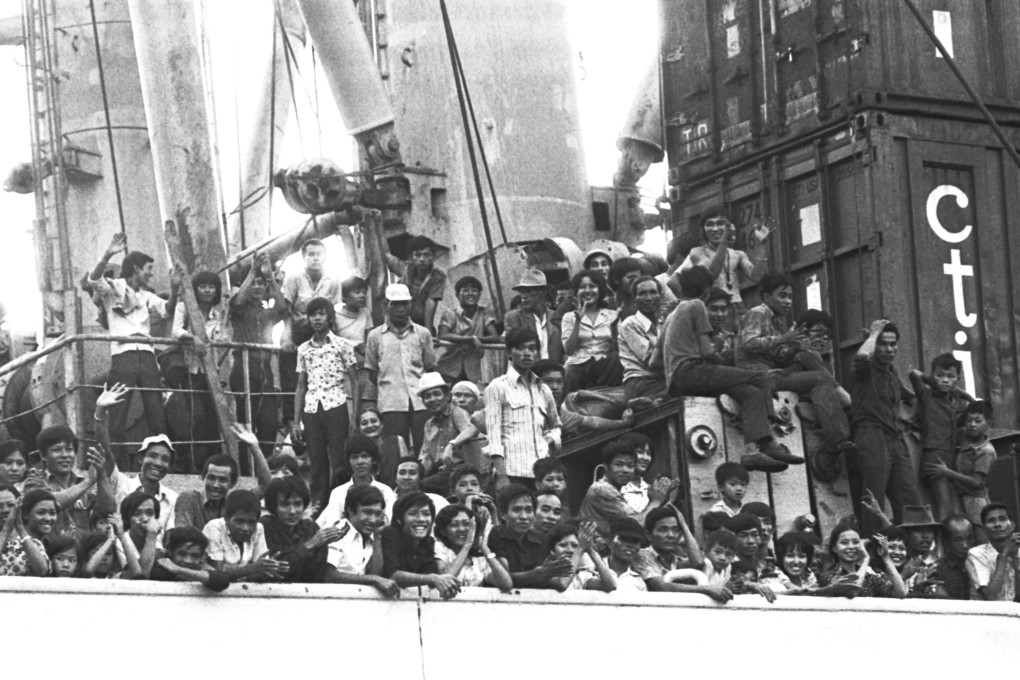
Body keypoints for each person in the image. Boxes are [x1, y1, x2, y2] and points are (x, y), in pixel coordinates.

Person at [659, 266, 797, 473]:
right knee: (760, 378)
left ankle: (752, 452)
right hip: (692, 371)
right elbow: (707, 352)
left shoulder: (671, 315)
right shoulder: (696, 305)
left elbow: (654, 360)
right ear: (706, 291)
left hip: (677, 378)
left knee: (750, 392)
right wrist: (723, 363)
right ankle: (770, 441)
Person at [737, 272, 855, 463]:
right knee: (819, 378)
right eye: (782, 295)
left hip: (772, 373)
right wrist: (785, 339)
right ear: (767, 296)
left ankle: (838, 429)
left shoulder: (774, 321)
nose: (788, 301)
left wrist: (795, 347)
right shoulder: (758, 313)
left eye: (790, 296)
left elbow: (778, 358)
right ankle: (839, 432)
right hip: (760, 376)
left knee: (810, 360)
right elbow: (748, 343)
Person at [87, 233, 177, 464]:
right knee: (117, 415)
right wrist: (108, 253)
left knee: (157, 414)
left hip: (147, 355)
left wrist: (175, 288)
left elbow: (167, 310)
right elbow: (93, 279)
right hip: (123, 354)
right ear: (137, 269)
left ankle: (163, 461)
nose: (151, 273)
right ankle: (116, 466)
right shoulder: (113, 289)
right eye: (148, 268)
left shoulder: (147, 296)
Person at [846, 319, 922, 533]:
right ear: (873, 344)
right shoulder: (864, 369)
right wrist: (873, 333)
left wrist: (914, 414)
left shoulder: (892, 372)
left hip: (896, 438)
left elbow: (911, 396)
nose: (889, 349)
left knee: (909, 498)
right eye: (882, 343)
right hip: (872, 437)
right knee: (873, 498)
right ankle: (872, 551)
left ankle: (912, 552)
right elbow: (861, 356)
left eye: (892, 344)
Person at [293, 296, 360, 511]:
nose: (317, 319)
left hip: (336, 405)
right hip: (312, 408)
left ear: (330, 318)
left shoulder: (343, 345)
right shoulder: (303, 349)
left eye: (321, 314)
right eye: (313, 315)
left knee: (339, 457)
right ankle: (318, 504)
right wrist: (296, 421)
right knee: (316, 457)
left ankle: (340, 502)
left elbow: (355, 382)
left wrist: (354, 416)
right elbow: (301, 385)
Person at [280, 239, 342, 436]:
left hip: (322, 333)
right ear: (304, 257)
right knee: (293, 379)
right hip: (298, 332)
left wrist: (336, 341)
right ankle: (294, 427)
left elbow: (336, 312)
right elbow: (287, 309)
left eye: (319, 254)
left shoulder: (333, 280)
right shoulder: (294, 277)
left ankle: (320, 423)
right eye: (311, 254)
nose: (315, 258)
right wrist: (287, 336)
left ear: (324, 256)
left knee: (319, 379)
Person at [485, 328, 562, 489]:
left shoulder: (543, 389)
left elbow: (556, 425)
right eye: (520, 348)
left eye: (532, 348)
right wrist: (502, 476)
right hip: (513, 473)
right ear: (509, 353)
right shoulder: (498, 387)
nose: (527, 353)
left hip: (542, 475)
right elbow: (494, 437)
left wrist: (548, 440)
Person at [229, 252, 288, 459]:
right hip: (243, 368)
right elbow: (237, 303)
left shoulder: (267, 312)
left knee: (269, 424)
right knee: (247, 422)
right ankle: (247, 471)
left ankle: (263, 467)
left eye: (260, 284)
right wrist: (253, 271)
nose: (257, 287)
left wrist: (270, 278)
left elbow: (282, 308)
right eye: (253, 283)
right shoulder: (237, 309)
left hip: (264, 371)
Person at [365, 283, 437, 452]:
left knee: (425, 449)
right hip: (391, 403)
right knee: (395, 449)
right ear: (385, 305)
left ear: (410, 305)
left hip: (420, 402)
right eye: (395, 304)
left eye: (404, 303)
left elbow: (430, 369)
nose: (400, 309)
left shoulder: (422, 333)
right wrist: (390, 388)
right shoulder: (374, 336)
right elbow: (372, 373)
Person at [170, 270, 230, 471]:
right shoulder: (183, 307)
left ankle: (213, 464)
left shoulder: (217, 315)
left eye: (211, 286)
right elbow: (176, 331)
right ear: (195, 289)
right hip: (188, 370)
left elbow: (221, 340)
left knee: (213, 419)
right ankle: (191, 465)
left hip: (210, 373)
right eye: (202, 286)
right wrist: (193, 338)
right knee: (194, 418)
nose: (207, 290)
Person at [909, 353, 974, 520]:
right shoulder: (926, 396)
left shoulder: (953, 403)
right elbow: (914, 374)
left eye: (950, 377)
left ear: (957, 379)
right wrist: (936, 383)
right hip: (935, 457)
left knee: (954, 508)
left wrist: (963, 396)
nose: (945, 380)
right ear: (932, 376)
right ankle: (942, 543)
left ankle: (951, 541)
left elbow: (971, 408)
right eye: (940, 375)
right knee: (944, 506)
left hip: (950, 459)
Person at [174, 424, 271, 529]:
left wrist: (255, 448)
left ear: (232, 484)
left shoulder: (235, 500)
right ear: (203, 477)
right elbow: (182, 535)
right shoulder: (189, 499)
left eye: (223, 480)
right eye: (211, 478)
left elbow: (265, 486)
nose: (215, 485)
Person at [676, 206, 764, 312]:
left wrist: (761, 246)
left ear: (729, 226)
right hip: (715, 307)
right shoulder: (697, 253)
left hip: (738, 306)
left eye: (720, 223)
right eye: (710, 224)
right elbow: (711, 275)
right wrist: (724, 241)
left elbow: (756, 277)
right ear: (703, 229)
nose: (715, 229)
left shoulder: (738, 254)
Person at [578, 440, 675, 536]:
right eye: (619, 464)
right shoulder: (602, 489)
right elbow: (635, 525)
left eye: (630, 466)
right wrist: (657, 500)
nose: (625, 470)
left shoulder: (612, 489)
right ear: (606, 467)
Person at [260, 476, 344, 583]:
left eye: (297, 504)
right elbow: (276, 570)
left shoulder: (311, 528)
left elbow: (317, 573)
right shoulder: (264, 528)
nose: (292, 511)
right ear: (273, 507)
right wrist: (309, 545)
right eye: (285, 505)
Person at [320, 484, 400, 596]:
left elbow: (376, 575)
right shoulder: (338, 532)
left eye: (378, 514)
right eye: (367, 512)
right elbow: (328, 575)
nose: (373, 520)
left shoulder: (372, 536)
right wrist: (373, 579)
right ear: (351, 511)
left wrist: (377, 538)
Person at [928, 400, 994, 533]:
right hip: (959, 497)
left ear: (988, 424)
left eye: (978, 421)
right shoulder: (965, 436)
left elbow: (976, 482)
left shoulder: (986, 451)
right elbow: (951, 422)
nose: (972, 425)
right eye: (969, 420)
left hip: (976, 501)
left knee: (979, 539)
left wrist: (947, 472)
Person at [487, 483, 571, 589]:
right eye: (516, 510)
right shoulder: (495, 535)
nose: (524, 517)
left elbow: (547, 581)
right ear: (503, 514)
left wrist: (545, 574)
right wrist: (535, 574)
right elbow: (504, 579)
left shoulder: (541, 539)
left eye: (529, 510)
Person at [380, 491, 460, 598]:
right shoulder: (388, 535)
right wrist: (433, 578)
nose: (421, 519)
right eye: (413, 513)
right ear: (399, 519)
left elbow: (433, 580)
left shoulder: (429, 542)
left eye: (426, 514)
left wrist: (468, 544)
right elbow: (392, 575)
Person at [35, 424, 111, 537]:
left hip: (84, 551)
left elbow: (107, 508)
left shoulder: (84, 481)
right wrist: (89, 481)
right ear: (43, 455)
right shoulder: (35, 481)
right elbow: (54, 503)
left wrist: (102, 475)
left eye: (69, 449)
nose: (65, 455)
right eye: (57, 450)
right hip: (52, 552)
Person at [532, 359, 635, 440]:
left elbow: (593, 422)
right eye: (548, 381)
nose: (555, 386)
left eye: (559, 382)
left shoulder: (556, 412)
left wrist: (624, 423)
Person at [202, 489, 289, 583]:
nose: (245, 528)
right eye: (239, 521)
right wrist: (252, 569)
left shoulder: (258, 528)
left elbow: (258, 570)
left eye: (251, 522)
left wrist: (268, 569)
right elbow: (217, 575)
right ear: (226, 517)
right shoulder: (214, 527)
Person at [317, 434, 398, 529]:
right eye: (354, 457)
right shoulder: (338, 493)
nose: (360, 462)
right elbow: (333, 525)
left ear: (374, 460)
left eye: (365, 456)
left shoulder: (386, 492)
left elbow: (388, 524)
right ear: (349, 461)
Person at [560, 269, 621, 393]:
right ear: (577, 291)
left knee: (616, 359)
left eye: (592, 286)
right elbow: (569, 350)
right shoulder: (568, 317)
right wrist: (578, 320)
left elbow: (618, 349)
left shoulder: (612, 315)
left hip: (604, 365)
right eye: (582, 287)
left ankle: (603, 396)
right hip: (578, 365)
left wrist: (614, 328)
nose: (587, 291)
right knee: (571, 372)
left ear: (600, 290)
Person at [816, 519, 907, 598]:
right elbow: (854, 588)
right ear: (834, 548)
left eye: (856, 542)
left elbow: (901, 593)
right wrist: (866, 559)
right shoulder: (828, 576)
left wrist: (886, 557)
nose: (851, 546)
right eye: (844, 542)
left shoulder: (869, 577)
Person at [434, 503, 513, 590]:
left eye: (467, 524)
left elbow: (506, 584)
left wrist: (486, 550)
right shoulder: (440, 548)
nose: (461, 529)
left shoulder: (479, 560)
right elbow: (447, 578)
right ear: (443, 531)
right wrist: (467, 545)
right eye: (454, 525)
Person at [436, 275, 500, 384]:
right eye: (465, 290)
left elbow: (494, 336)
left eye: (474, 290)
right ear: (457, 295)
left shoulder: (483, 313)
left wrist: (476, 339)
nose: (470, 293)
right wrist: (471, 339)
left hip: (472, 371)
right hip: (449, 368)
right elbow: (443, 335)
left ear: (479, 294)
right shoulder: (450, 314)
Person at [417, 373, 474, 494]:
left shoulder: (457, 412)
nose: (432, 399)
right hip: (440, 472)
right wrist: (415, 475)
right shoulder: (428, 425)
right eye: (427, 396)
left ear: (447, 396)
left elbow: (470, 430)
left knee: (426, 485)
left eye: (436, 394)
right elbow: (426, 457)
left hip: (460, 470)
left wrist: (451, 445)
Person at [618, 275, 669, 400]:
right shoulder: (630, 324)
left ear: (660, 296)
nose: (649, 298)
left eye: (653, 292)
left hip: (661, 380)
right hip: (640, 382)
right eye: (642, 294)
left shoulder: (663, 322)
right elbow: (653, 362)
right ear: (635, 299)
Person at [386, 235, 447, 334]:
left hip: (421, 323)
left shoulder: (438, 276)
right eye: (418, 255)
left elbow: (431, 302)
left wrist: (428, 331)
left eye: (426, 255)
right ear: (412, 257)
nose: (422, 259)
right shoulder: (405, 268)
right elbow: (387, 255)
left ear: (433, 257)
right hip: (398, 321)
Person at [503, 269, 561, 362]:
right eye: (522, 292)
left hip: (553, 372)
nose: (524, 296)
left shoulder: (556, 317)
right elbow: (513, 349)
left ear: (543, 292)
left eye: (529, 291)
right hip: (527, 370)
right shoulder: (513, 317)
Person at [150, 526, 230, 591]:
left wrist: (178, 570)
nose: (188, 561)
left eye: (195, 556)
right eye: (182, 554)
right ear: (170, 551)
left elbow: (223, 580)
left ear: (202, 557)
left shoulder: (198, 567)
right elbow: (158, 574)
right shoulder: (162, 566)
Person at [966, 504, 1020, 601]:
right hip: (988, 615)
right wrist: (1004, 556)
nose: (997, 524)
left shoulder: (1018, 550)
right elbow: (990, 597)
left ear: (1012, 526)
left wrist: (1016, 559)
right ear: (984, 530)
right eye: (991, 521)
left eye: (1002, 519)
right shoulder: (977, 554)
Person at [546, 521, 617, 592]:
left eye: (574, 546)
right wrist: (580, 548)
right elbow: (563, 584)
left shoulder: (580, 577)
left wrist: (590, 549)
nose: (570, 550)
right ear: (552, 550)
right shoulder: (545, 572)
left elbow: (611, 585)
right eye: (563, 545)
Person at [585, 517, 646, 592]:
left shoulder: (639, 581)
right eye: (624, 539)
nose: (630, 545)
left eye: (635, 541)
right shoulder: (592, 570)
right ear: (610, 541)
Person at [0, 487, 51, 576]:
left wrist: (20, 528)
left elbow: (42, 571)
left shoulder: (32, 543)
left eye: (11, 505)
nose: (5, 510)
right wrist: (6, 529)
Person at [357, 406, 408, 488]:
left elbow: (406, 471)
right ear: (359, 429)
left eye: (373, 421)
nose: (369, 425)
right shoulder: (358, 453)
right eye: (364, 423)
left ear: (382, 424)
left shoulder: (396, 441)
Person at [931, 515, 975, 600]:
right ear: (946, 542)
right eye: (958, 540)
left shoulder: (981, 563)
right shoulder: (937, 570)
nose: (965, 545)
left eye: (969, 538)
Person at [119, 489, 161, 576]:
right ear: (127, 519)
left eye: (150, 513)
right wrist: (151, 536)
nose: (145, 519)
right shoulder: (119, 542)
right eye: (137, 513)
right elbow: (142, 574)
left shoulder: (159, 544)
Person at [620, 432, 653, 513]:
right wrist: (657, 501)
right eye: (640, 452)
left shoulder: (649, 488)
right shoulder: (615, 489)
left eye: (648, 453)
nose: (646, 458)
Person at [705, 287, 735, 365]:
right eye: (714, 309)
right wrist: (716, 348)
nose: (719, 314)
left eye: (723, 309)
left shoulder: (729, 337)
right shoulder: (696, 337)